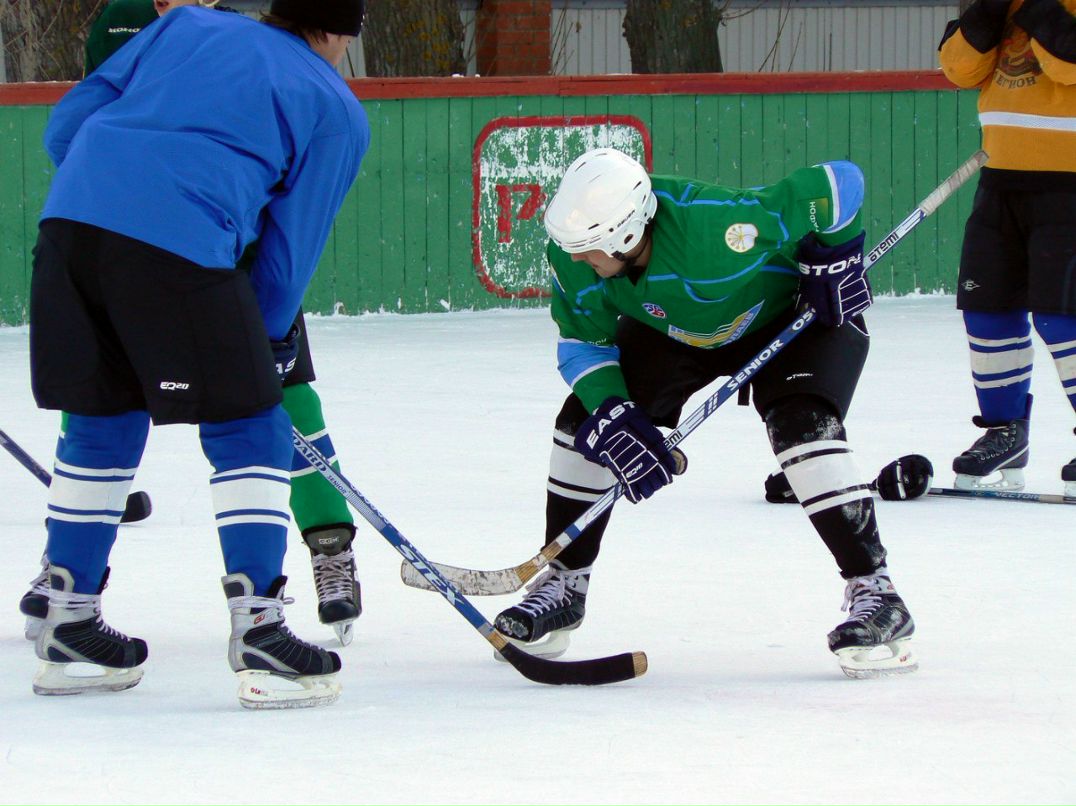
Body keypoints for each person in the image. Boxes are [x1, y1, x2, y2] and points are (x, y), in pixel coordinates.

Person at [27, 0, 369, 708]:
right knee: (252, 423)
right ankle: (261, 630)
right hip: (179, 243)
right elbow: (288, 255)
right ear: (339, 33)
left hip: (70, 227)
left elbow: (66, 127)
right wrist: (264, 342)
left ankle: (68, 619)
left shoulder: (185, 26)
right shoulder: (334, 105)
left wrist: (122, 186)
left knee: (101, 418)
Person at [493, 148, 917, 679]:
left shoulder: (720, 229)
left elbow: (839, 183)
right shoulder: (573, 254)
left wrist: (836, 254)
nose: (575, 258)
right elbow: (583, 343)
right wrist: (613, 410)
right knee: (584, 425)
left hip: (793, 315)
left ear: (626, 235)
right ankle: (564, 582)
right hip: (675, 330)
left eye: (586, 248)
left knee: (802, 427)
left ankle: (878, 593)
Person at [938, 0, 1076, 495]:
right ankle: (1004, 432)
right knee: (987, 311)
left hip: (1069, 186)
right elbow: (958, 68)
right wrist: (991, 11)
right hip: (999, 183)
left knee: (1063, 317)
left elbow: (1069, 62)